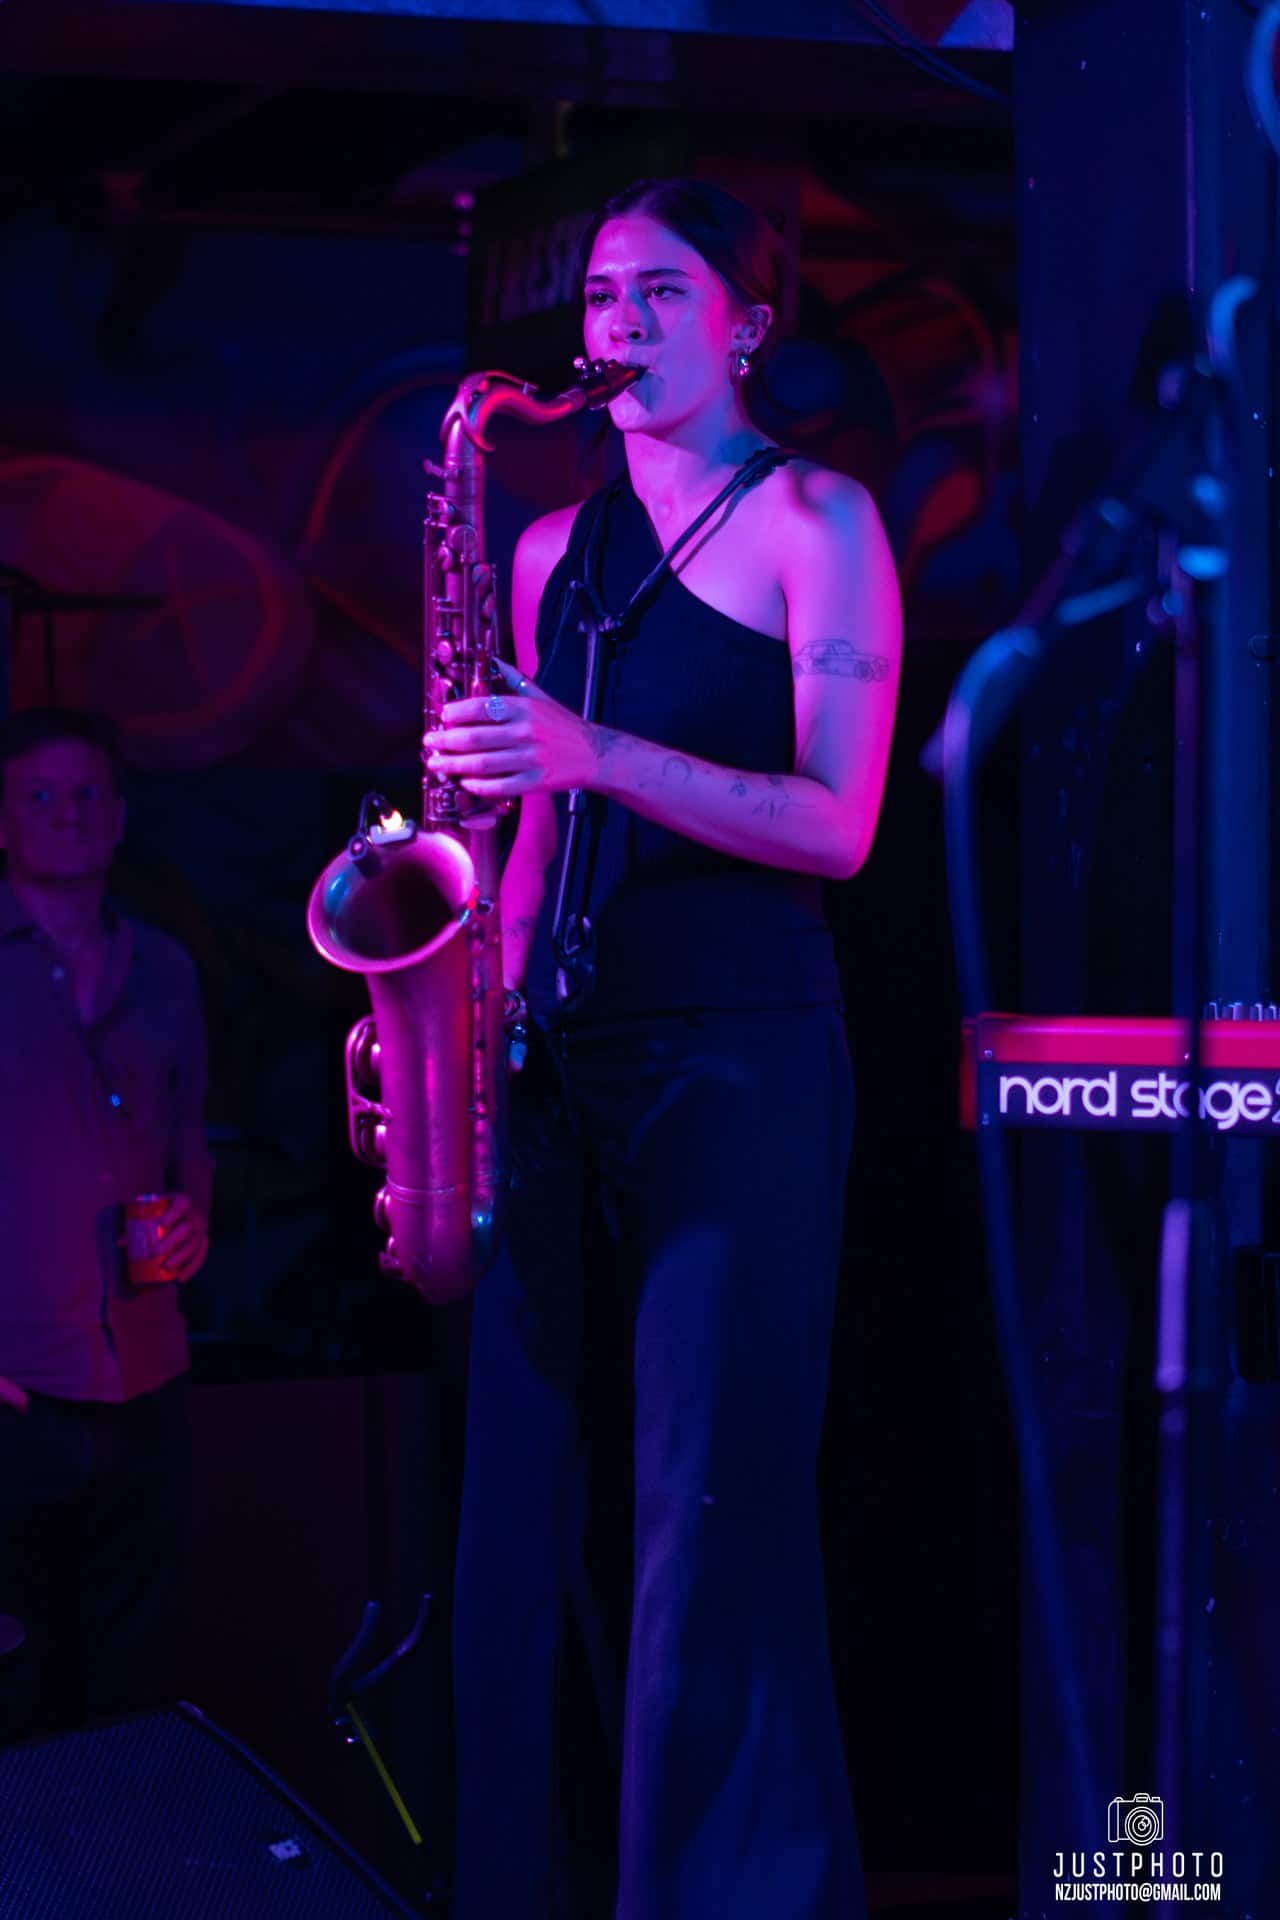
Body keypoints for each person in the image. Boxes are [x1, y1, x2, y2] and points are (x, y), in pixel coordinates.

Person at [436, 177, 901, 1920]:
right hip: (561, 1056)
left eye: (658, 293)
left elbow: (836, 824)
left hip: (739, 1060)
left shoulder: (817, 519)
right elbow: (537, 834)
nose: (614, 325)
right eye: (599, 295)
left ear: (747, 325)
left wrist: (591, 751)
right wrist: (467, 1012)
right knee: (513, 1524)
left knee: (709, 1516)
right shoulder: (548, 550)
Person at [0, 706, 212, 1743]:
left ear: (121, 818)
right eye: (41, 794)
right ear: (3, 821)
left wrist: (195, 1221)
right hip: (14, 1392)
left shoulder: (165, 969)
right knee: (19, 1695)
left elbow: (189, 1145)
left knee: (135, 1693)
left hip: (145, 1382)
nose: (69, 813)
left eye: (88, 793)